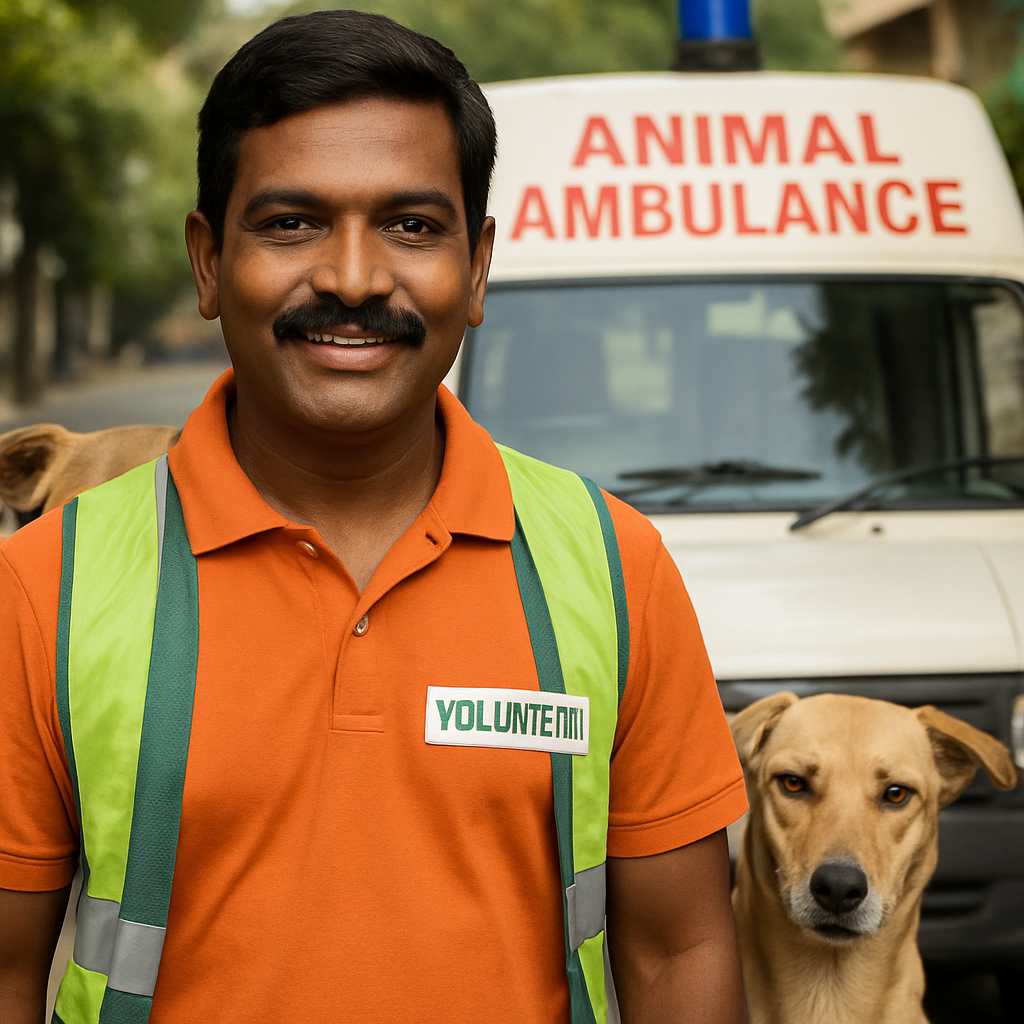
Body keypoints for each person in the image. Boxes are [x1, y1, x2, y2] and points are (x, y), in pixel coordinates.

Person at [0, 10, 748, 1023]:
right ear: (209, 261)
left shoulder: (611, 566)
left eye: (411, 225)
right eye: (291, 222)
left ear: (476, 268)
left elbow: (681, 951)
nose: (353, 279)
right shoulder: (46, 586)